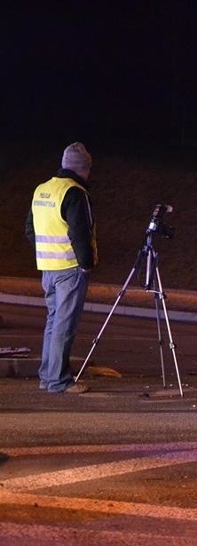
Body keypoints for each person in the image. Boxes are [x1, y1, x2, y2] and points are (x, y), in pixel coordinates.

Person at [24, 142, 98, 394]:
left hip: (47, 267)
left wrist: (48, 253)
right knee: (65, 325)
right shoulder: (75, 192)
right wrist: (86, 264)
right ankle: (59, 381)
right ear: (82, 168)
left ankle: (47, 375)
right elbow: (81, 234)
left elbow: (30, 229)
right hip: (70, 268)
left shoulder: (42, 189)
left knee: (54, 322)